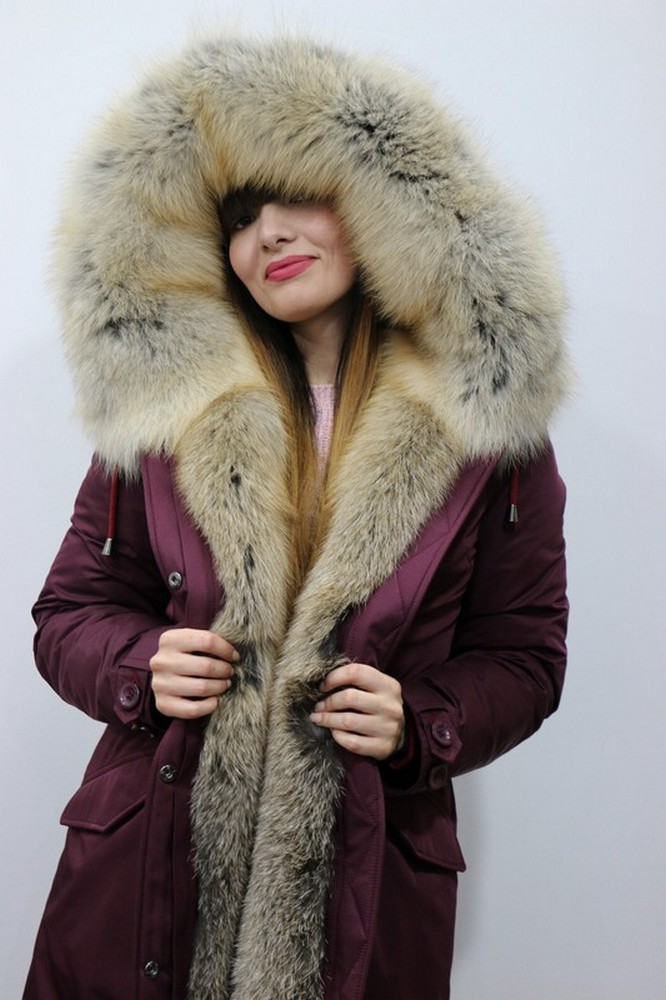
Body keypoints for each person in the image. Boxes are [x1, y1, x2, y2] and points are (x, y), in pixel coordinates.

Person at [24, 35, 569, 1000]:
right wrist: (139, 663)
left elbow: (525, 658)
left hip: (363, 889)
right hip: (149, 877)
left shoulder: (481, 432)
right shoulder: (171, 410)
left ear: (375, 203)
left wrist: (421, 721)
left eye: (296, 199)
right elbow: (68, 613)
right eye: (240, 218)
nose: (267, 236)